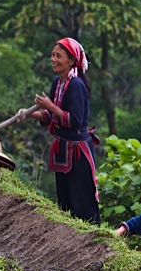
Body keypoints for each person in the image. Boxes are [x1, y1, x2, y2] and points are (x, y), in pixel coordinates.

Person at [17, 37, 100, 224]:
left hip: (77, 151)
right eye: (52, 55)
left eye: (59, 56)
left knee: (82, 203)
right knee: (65, 200)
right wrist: (29, 114)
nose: (53, 59)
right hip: (62, 148)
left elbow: (74, 120)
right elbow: (52, 117)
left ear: (71, 61)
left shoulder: (77, 85)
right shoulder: (58, 82)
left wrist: (50, 106)